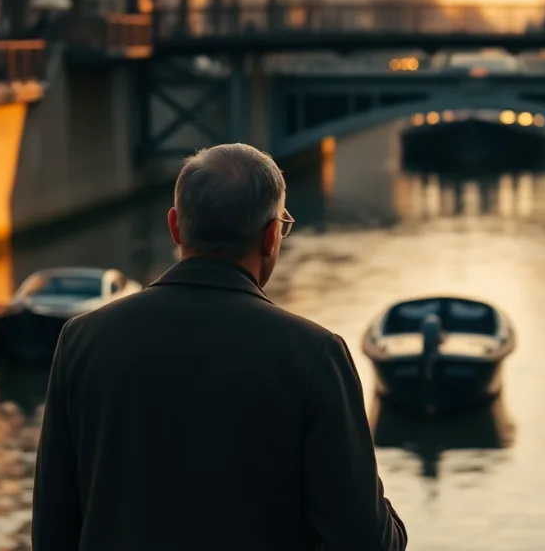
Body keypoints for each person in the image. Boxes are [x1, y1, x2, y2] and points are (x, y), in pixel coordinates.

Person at [32, 143, 407, 551]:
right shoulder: (314, 354)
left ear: (175, 226)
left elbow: (52, 530)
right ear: (270, 236)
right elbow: (366, 541)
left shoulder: (82, 341)